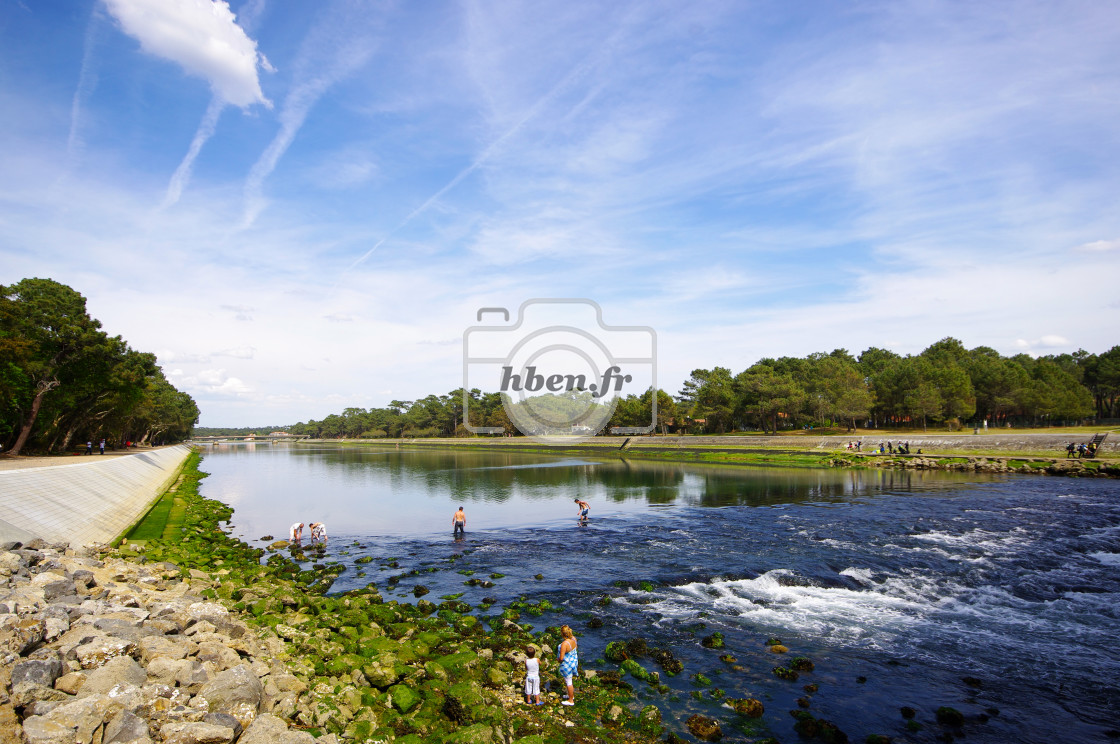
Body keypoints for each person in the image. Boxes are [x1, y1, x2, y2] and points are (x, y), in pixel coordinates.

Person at [557, 625, 578, 706]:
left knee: (568, 682)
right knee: (570, 680)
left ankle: (570, 700)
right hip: (573, 662)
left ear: (562, 634)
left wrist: (557, 660)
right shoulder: (574, 639)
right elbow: (575, 648)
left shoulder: (564, 644)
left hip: (567, 665)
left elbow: (561, 658)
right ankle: (570, 695)